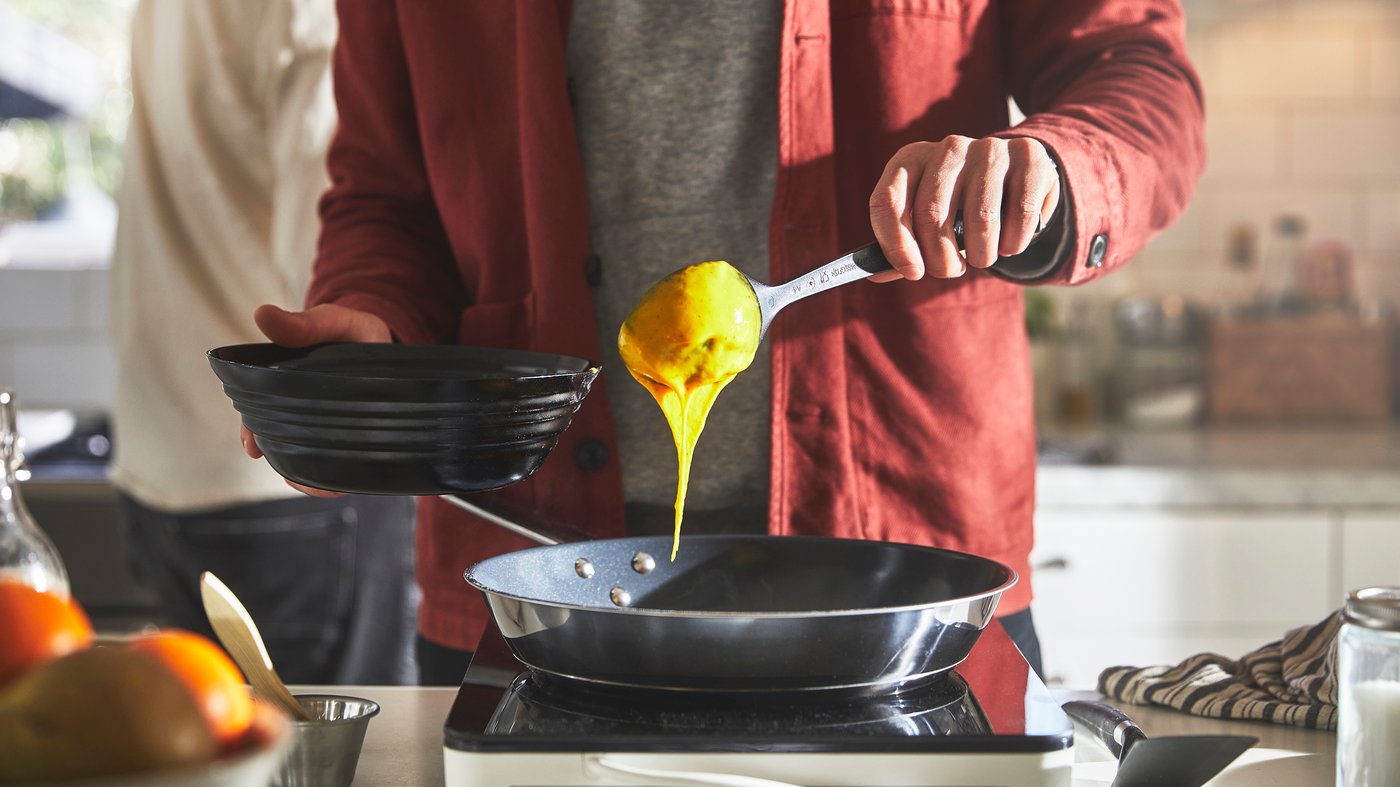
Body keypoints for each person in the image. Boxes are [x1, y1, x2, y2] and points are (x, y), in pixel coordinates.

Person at [245, 0, 1205, 684]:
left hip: (904, 576)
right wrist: (372, 328)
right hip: (532, 578)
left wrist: (1051, 167)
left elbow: (1138, 73)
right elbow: (387, 200)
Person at [109, 0, 418, 684]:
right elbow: (331, 271)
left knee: (217, 750)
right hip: (283, 482)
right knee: (338, 761)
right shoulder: (307, 9)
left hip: (160, 463)